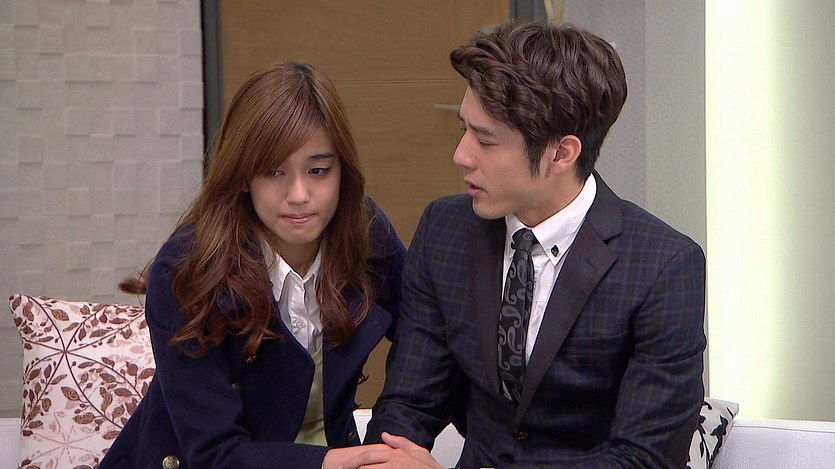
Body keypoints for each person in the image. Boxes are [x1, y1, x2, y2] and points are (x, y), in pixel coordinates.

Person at [350, 21, 707, 468]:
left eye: (485, 140)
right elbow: (409, 404)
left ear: (562, 153)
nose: (461, 154)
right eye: (464, 129)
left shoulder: (664, 266)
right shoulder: (445, 230)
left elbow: (642, 460)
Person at [99, 61, 406, 469]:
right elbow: (215, 453)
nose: (299, 194)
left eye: (318, 170)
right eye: (274, 171)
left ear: (342, 170)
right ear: (243, 175)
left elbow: (425, 342)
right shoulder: (188, 269)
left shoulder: (366, 236)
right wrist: (344, 463)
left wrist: (389, 442)